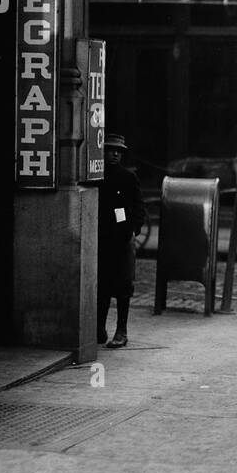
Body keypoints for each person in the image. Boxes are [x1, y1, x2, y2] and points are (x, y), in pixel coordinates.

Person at [99, 133, 146, 349]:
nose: (115, 154)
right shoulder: (96, 177)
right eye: (110, 150)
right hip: (101, 239)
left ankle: (121, 330)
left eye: (118, 151)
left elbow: (139, 207)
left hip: (122, 239)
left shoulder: (128, 177)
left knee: (123, 286)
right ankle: (99, 328)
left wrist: (133, 230)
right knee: (101, 285)